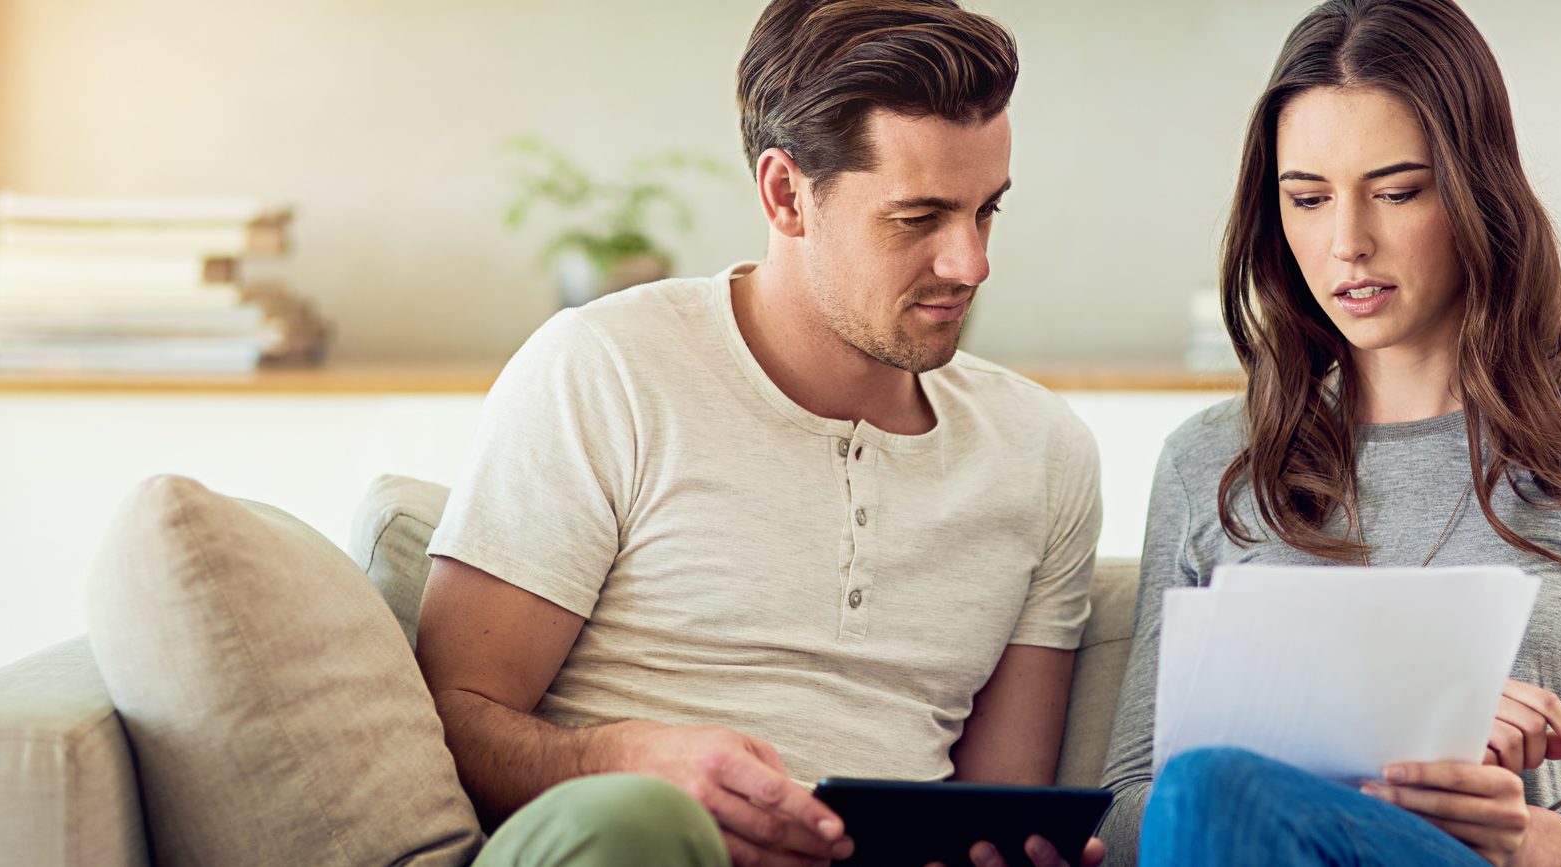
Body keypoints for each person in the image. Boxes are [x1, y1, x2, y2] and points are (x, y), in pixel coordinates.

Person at [415, 3, 1105, 866]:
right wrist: (618, 760)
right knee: (637, 824)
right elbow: (453, 713)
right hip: (628, 848)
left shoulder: (1043, 451)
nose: (970, 264)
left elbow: (999, 809)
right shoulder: (605, 370)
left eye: (986, 211)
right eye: (918, 217)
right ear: (786, 194)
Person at [1096, 1, 1561, 865]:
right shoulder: (1212, 460)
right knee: (1213, 791)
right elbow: (1129, 814)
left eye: (1397, 191)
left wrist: (1542, 842)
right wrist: (1378, 724)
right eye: (1307, 198)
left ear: (1477, 190)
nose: (1346, 244)